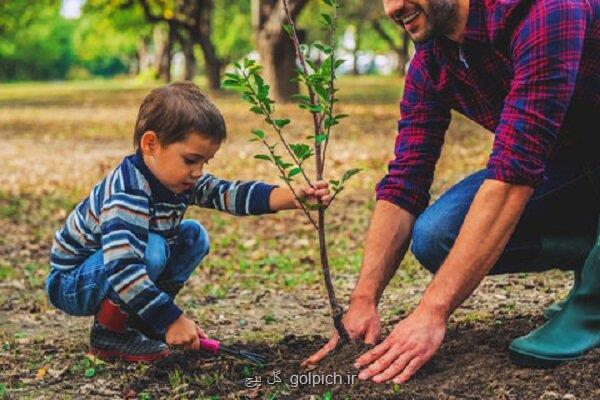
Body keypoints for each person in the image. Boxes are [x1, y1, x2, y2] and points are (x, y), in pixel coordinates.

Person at [305, 0, 600, 384]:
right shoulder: (434, 59)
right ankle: (591, 252)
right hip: (576, 163)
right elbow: (405, 180)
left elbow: (514, 175)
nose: (392, 7)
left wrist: (432, 312)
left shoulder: (546, 10)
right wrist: (363, 300)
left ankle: (593, 300)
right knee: (437, 234)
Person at [45, 81, 331, 362]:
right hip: (72, 282)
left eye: (205, 162)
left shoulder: (179, 180)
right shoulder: (128, 192)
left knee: (193, 236)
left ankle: (141, 322)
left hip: (113, 270)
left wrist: (292, 197)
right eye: (191, 160)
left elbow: (228, 193)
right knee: (153, 249)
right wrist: (171, 319)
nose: (198, 172)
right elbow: (122, 268)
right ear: (151, 144)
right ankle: (110, 333)